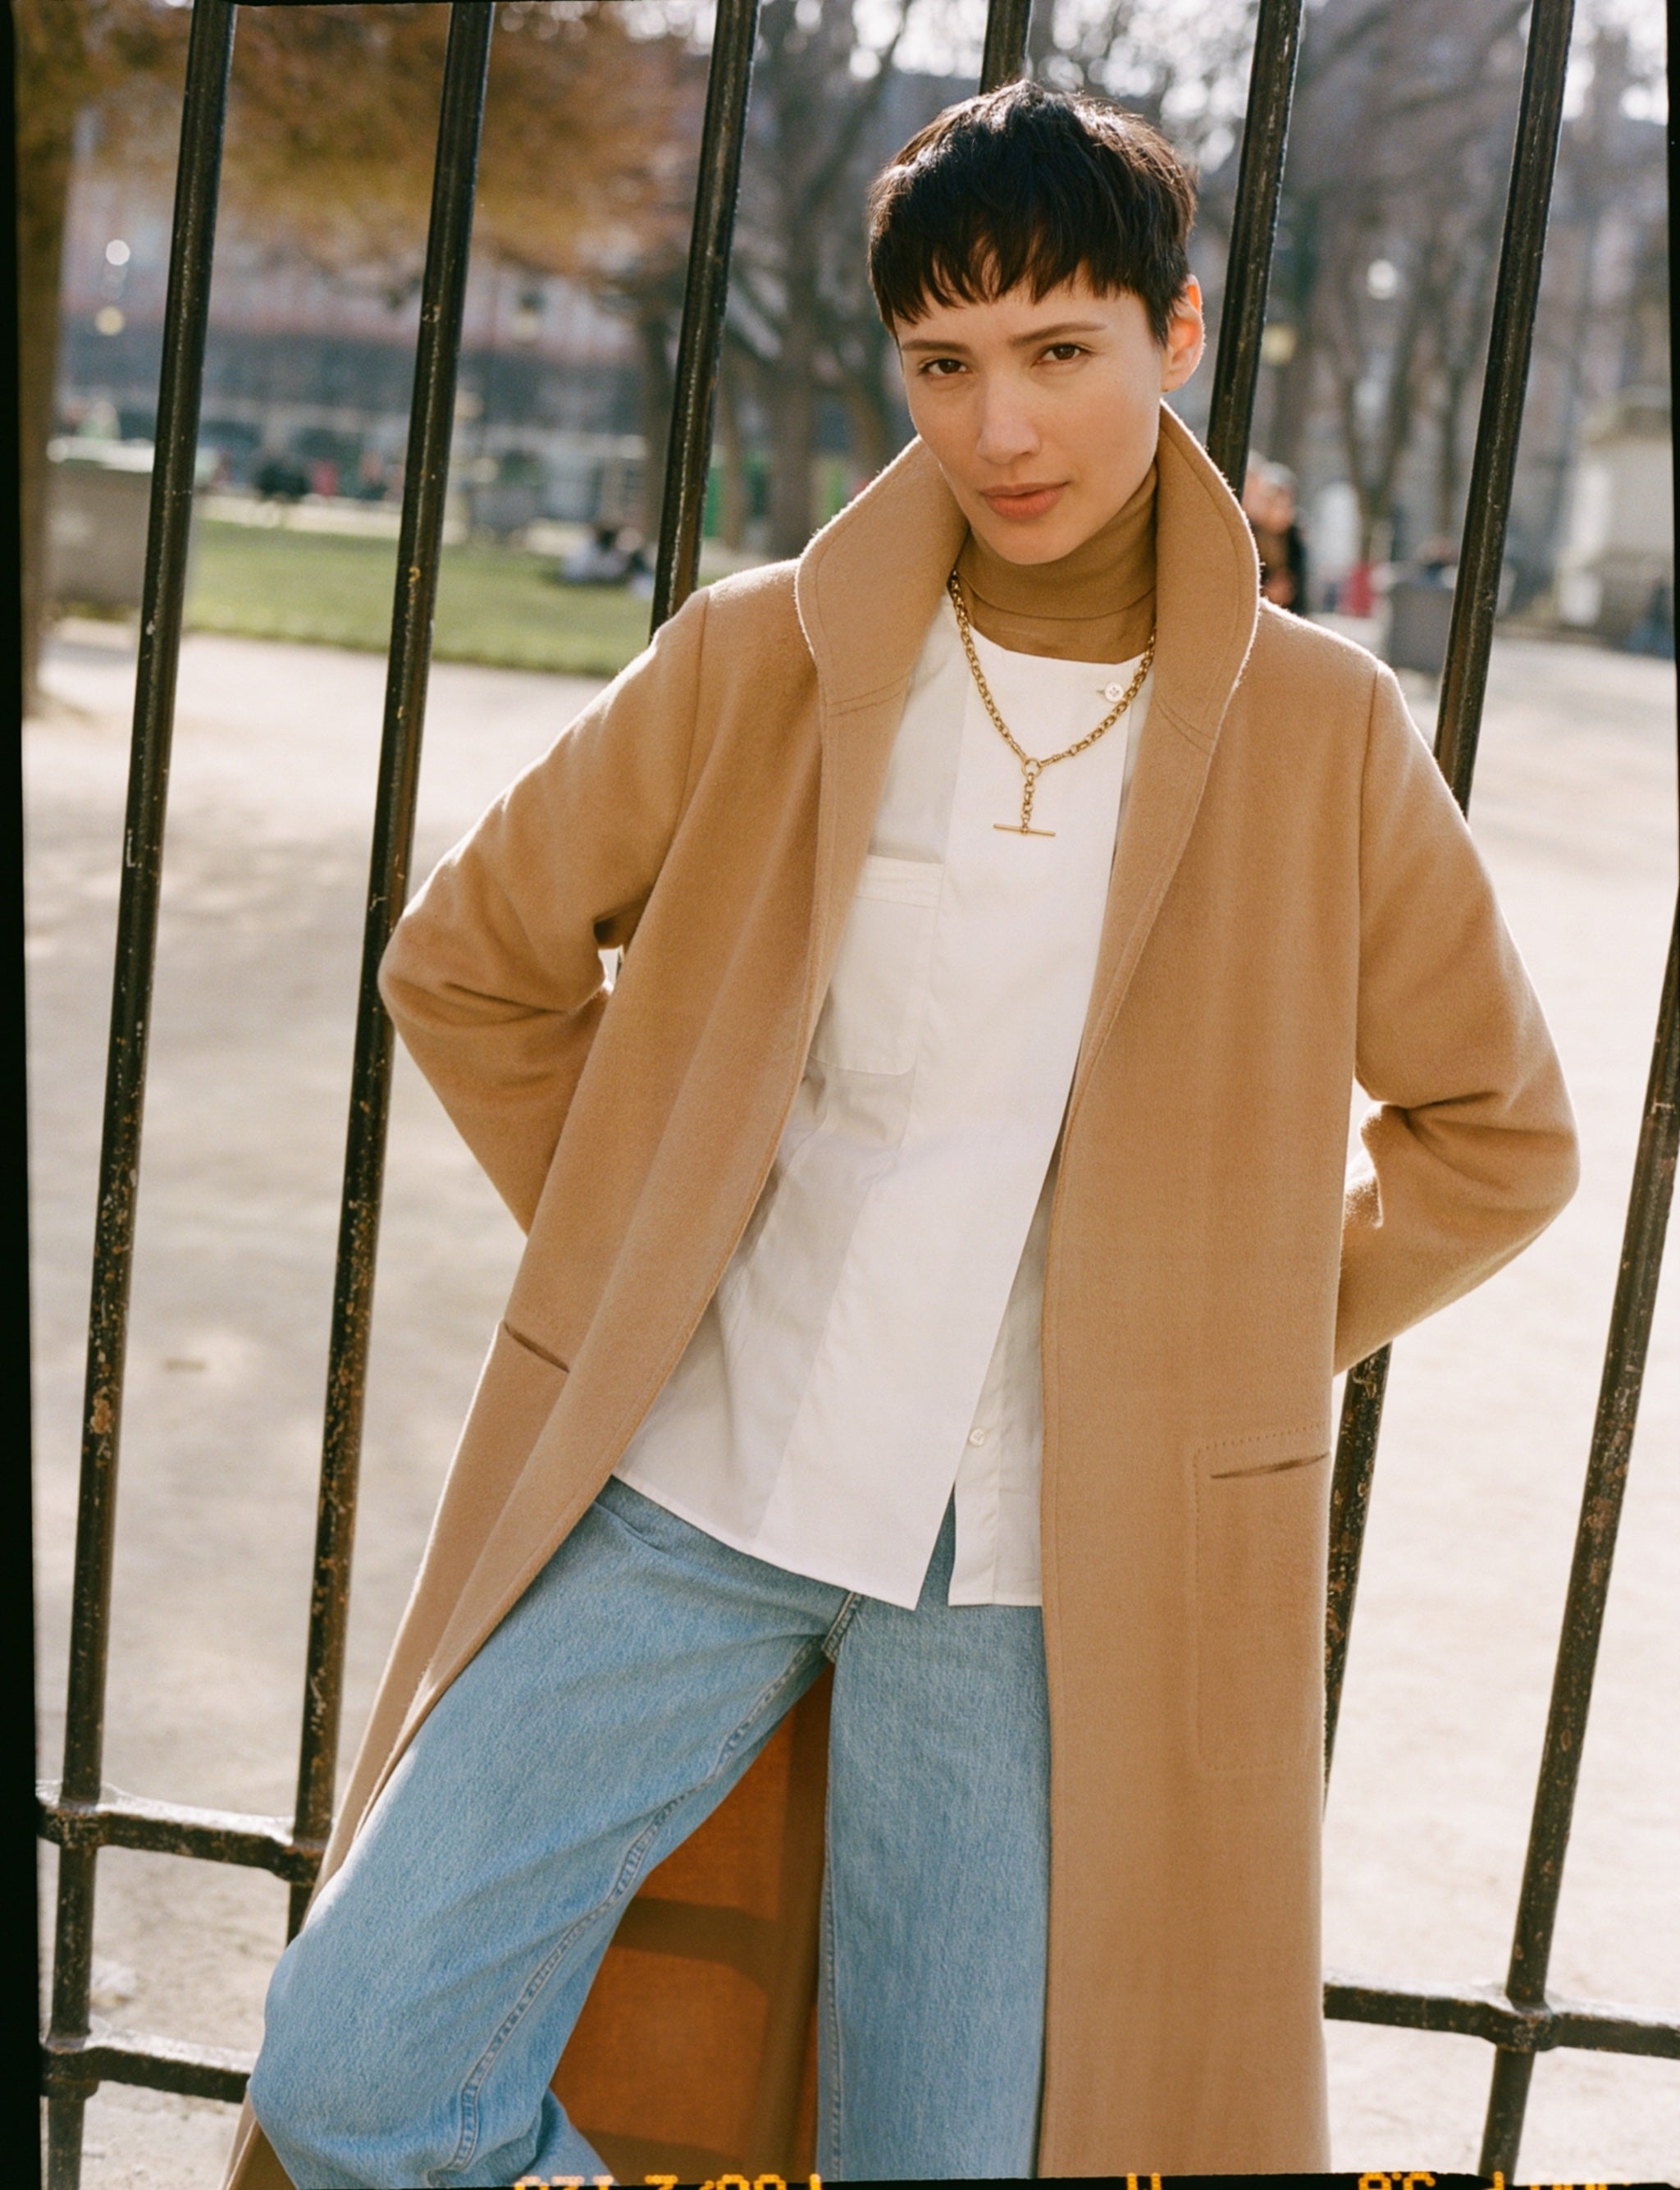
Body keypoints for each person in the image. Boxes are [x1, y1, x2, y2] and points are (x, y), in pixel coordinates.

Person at [231, 84, 1577, 2188]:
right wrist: (651, 1239)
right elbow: (471, 962)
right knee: (357, 2060)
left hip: (1034, 1572)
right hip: (707, 1471)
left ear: (1178, 336)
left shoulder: (1319, 729)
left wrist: (1209, 1342)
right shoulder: (760, 653)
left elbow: (1496, 1133)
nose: (999, 427)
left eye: (1059, 350)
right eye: (942, 365)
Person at [1243, 455, 1309, 611]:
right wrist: (1266, 592)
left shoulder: (1294, 536)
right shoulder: (1251, 531)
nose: (1279, 512)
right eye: (1274, 504)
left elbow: (1300, 584)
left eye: (1285, 505)